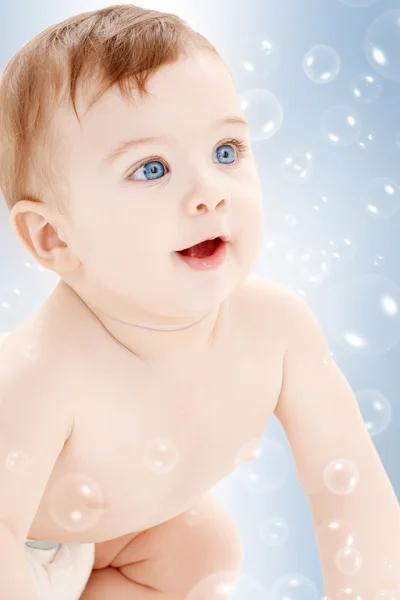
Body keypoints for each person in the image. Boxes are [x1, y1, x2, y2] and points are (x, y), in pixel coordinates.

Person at [0, 4, 398, 599]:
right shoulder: (41, 373)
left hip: (99, 538)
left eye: (226, 151)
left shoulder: (276, 326)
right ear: (55, 238)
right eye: (152, 168)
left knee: (203, 545)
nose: (210, 193)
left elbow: (349, 487)